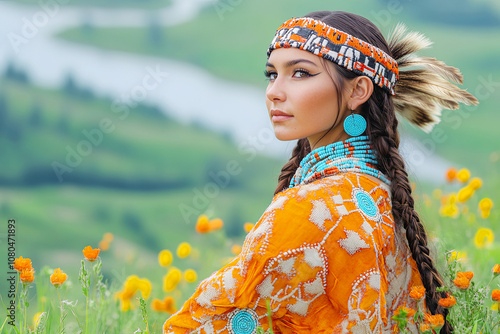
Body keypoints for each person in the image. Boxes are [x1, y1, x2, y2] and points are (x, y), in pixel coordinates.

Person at [164, 11, 477, 333]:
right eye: (272, 74)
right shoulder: (381, 194)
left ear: (358, 91)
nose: (274, 91)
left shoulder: (308, 211)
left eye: (300, 73)